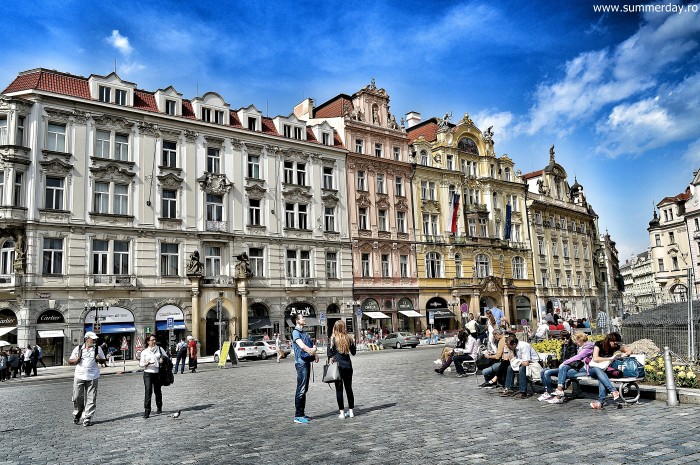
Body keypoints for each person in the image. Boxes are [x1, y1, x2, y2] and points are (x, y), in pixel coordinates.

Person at [538, 331, 594, 403]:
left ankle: (559, 394)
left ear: (580, 339)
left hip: (585, 369)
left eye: (576, 340)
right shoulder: (567, 346)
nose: (565, 340)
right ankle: (554, 393)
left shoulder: (587, 347)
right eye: (563, 338)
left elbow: (578, 357)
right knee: (551, 371)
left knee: (561, 371)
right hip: (576, 367)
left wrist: (564, 363)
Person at [69, 331, 106, 427]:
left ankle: (87, 417)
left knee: (91, 398)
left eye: (95, 339)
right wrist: (75, 360)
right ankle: (78, 413)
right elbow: (70, 361)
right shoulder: (78, 348)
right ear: (87, 339)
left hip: (93, 376)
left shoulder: (98, 348)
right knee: (77, 397)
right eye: (92, 339)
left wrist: (99, 359)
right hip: (79, 375)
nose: (94, 340)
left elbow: (103, 360)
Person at [589, 332, 632, 409]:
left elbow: (628, 350)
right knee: (598, 370)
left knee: (602, 377)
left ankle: (600, 402)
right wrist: (610, 358)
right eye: (615, 343)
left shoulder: (615, 346)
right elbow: (595, 358)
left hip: (605, 370)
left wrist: (625, 354)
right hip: (593, 369)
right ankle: (613, 390)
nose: (616, 345)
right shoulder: (598, 344)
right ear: (610, 340)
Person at [291, 313, 319, 424]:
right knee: (301, 389)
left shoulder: (304, 333)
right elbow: (302, 346)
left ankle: (301, 413)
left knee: (304, 389)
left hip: (306, 361)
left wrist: (314, 354)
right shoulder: (295, 332)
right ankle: (298, 415)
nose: (304, 319)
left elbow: (309, 345)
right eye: (302, 318)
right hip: (301, 363)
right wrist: (312, 351)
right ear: (297, 321)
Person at [328, 319, 357, 419]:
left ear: (335, 328)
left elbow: (329, 354)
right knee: (349, 389)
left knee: (339, 390)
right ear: (344, 327)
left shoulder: (332, 339)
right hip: (348, 366)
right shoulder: (349, 338)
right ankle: (351, 411)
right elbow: (353, 352)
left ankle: (341, 413)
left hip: (338, 367)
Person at [500, 334, 540, 399]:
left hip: (532, 363)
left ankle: (523, 392)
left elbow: (526, 363)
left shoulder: (524, 346)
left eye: (509, 346)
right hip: (523, 362)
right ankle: (509, 388)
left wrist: (516, 362)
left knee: (522, 368)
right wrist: (511, 352)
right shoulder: (514, 348)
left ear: (514, 344)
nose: (508, 347)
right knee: (510, 367)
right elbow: (512, 360)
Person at [139, 334, 167, 418]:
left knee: (157, 391)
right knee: (148, 391)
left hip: (157, 373)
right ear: (148, 342)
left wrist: (163, 360)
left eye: (155, 339)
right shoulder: (144, 352)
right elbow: (140, 364)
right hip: (147, 373)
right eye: (152, 340)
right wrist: (145, 363)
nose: (154, 341)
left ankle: (159, 407)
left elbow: (166, 358)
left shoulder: (159, 349)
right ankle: (147, 410)